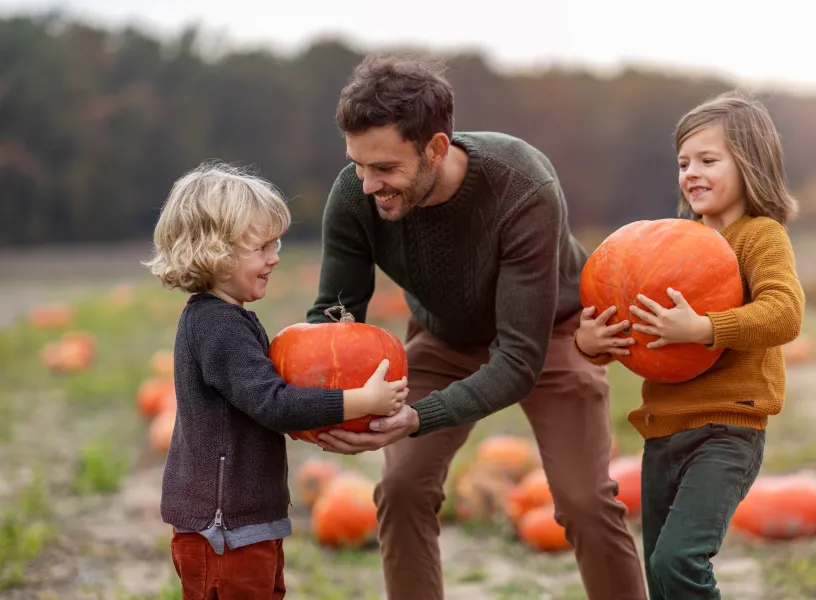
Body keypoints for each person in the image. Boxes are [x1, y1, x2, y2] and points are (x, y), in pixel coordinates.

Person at [305, 55, 648, 600]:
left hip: (550, 333)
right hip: (443, 337)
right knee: (400, 487)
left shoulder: (522, 186)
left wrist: (420, 416)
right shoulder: (355, 194)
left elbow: (517, 359)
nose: (368, 185)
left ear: (436, 149)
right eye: (358, 165)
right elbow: (334, 316)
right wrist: (318, 401)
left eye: (386, 169)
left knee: (585, 500)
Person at [575, 91, 806, 600]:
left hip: (728, 428)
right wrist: (590, 342)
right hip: (664, 431)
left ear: (749, 164)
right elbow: (625, 326)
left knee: (679, 558)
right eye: (684, 162)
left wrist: (704, 328)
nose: (691, 173)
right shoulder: (667, 246)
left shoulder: (760, 237)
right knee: (659, 574)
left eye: (708, 160)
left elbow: (785, 313)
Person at [143, 161, 408, 599]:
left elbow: (259, 406)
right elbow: (273, 403)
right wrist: (357, 401)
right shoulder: (217, 326)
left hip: (243, 522)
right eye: (262, 246)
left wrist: (313, 422)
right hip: (224, 529)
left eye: (276, 243)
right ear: (216, 250)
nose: (275, 256)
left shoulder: (229, 318)